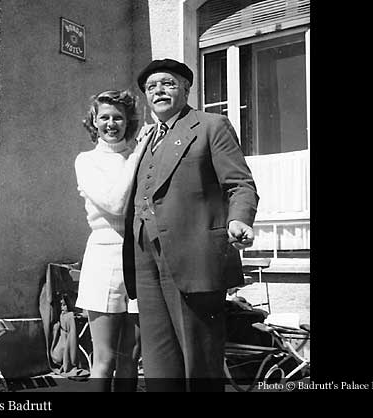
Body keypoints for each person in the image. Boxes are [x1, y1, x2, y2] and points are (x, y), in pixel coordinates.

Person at [122, 58, 259, 392]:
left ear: (186, 88)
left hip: (194, 257)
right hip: (145, 257)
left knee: (199, 364)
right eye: (151, 87)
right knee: (158, 361)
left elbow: (240, 185)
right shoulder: (146, 139)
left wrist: (239, 218)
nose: (158, 91)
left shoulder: (211, 125)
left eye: (167, 83)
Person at [74, 90, 145, 392]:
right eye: (104, 117)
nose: (111, 123)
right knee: (104, 360)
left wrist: (137, 154)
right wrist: (137, 155)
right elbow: (115, 204)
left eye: (118, 117)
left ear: (129, 121)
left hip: (140, 259)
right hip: (104, 259)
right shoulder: (87, 161)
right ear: (94, 121)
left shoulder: (139, 156)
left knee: (130, 359)